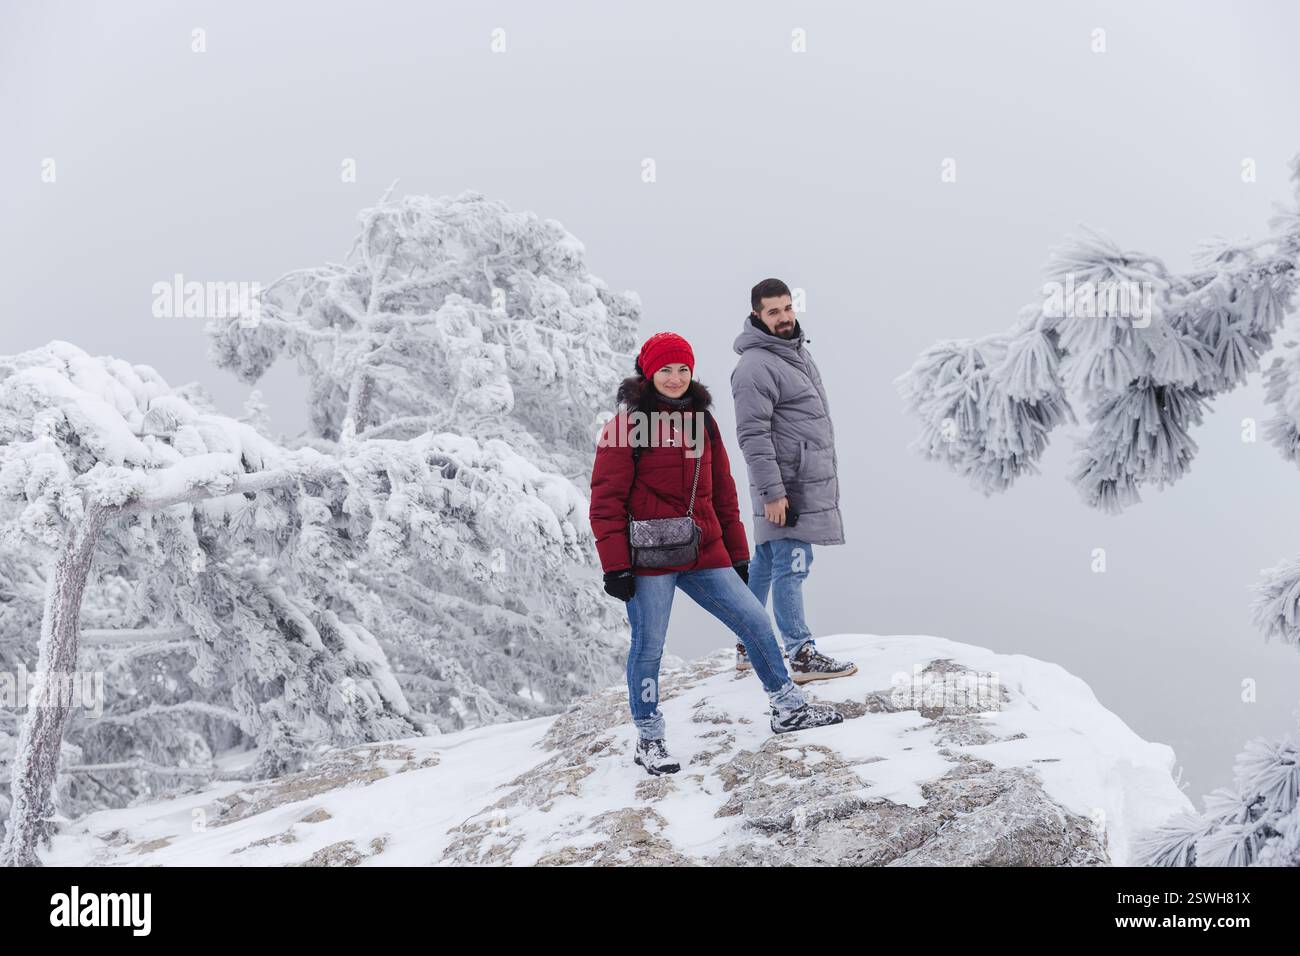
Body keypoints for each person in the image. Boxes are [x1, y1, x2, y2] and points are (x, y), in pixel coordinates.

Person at [590, 331, 843, 776]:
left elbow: (723, 490)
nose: (675, 378)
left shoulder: (702, 422)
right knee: (648, 646)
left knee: (755, 621)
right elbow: (605, 502)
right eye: (665, 369)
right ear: (648, 373)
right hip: (648, 559)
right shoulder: (625, 426)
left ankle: (787, 707)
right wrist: (616, 567)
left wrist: (738, 553)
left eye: (683, 369)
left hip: (704, 550)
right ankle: (649, 739)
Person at [730, 278, 857, 683]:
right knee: (792, 563)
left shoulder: (793, 353)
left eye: (787, 308)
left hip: (796, 482)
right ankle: (800, 652)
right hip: (787, 488)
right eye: (773, 311)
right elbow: (752, 434)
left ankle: (747, 644)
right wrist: (772, 492)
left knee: (766, 562)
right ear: (757, 315)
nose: (784, 317)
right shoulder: (755, 366)